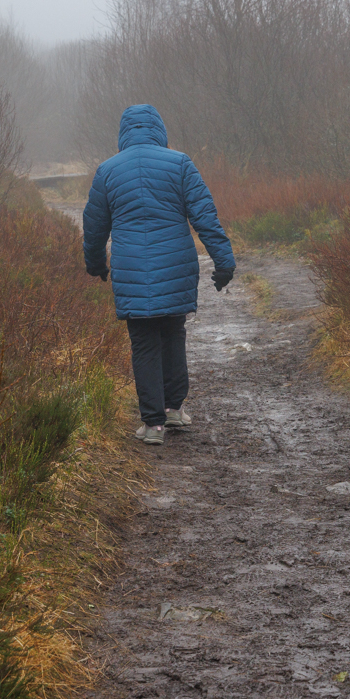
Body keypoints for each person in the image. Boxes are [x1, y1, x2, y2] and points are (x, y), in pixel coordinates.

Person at [83, 104, 236, 445]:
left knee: (144, 344)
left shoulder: (107, 171)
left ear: (123, 132)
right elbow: (205, 217)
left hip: (132, 269)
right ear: (159, 129)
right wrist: (223, 262)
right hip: (176, 266)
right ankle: (174, 410)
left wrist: (95, 264)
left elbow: (94, 228)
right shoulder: (179, 163)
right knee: (173, 333)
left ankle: (152, 426)